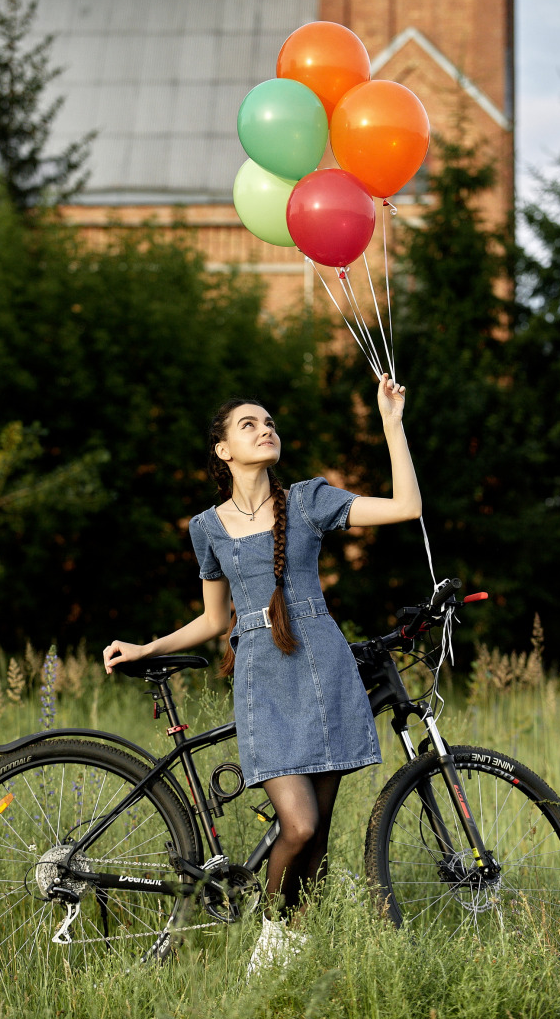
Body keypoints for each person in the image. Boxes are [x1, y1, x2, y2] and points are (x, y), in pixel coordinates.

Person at [103, 373, 421, 973]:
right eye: (248, 424)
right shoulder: (207, 526)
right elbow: (212, 619)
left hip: (324, 667)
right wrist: (148, 646)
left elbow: (407, 507)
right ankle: (269, 945)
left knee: (319, 835)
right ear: (223, 450)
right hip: (260, 678)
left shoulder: (307, 500)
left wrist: (391, 424)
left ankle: (290, 963)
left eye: (269, 422)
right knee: (297, 826)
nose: (265, 429)